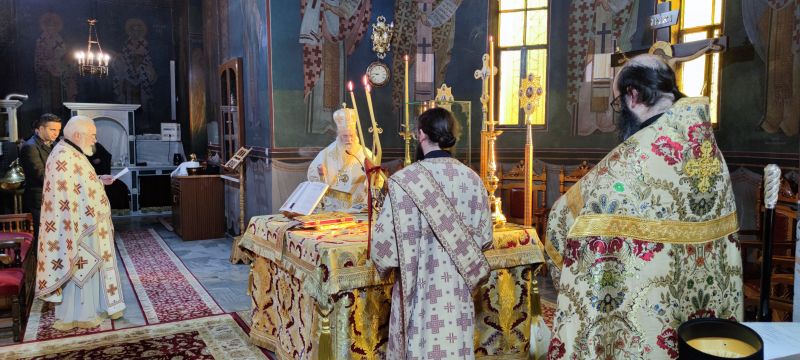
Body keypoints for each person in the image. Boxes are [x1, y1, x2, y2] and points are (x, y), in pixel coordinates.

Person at [543, 54, 742, 359]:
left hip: (650, 310)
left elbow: (562, 217)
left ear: (633, 95)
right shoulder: (709, 151)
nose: (620, 111)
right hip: (705, 323)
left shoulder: (633, 158)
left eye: (618, 103)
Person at [371, 108, 492, 359]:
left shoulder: (403, 181)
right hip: (457, 290)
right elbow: (484, 238)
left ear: (421, 134)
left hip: (417, 289)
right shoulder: (472, 179)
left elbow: (383, 250)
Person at [36, 115, 125, 330]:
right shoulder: (63, 157)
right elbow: (67, 197)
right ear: (78, 135)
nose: (94, 140)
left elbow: (81, 184)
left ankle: (95, 308)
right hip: (78, 229)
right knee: (82, 270)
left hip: (88, 226)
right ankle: (79, 315)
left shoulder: (73, 153)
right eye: (92, 136)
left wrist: (98, 179)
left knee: (92, 270)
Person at [307, 107, 372, 211]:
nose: (349, 139)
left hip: (358, 208)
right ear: (339, 135)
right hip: (333, 207)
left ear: (355, 135)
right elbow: (312, 173)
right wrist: (321, 174)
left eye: (351, 136)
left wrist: (371, 178)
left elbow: (376, 178)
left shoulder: (365, 154)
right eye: (345, 136)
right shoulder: (327, 152)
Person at [19, 113, 62, 242]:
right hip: (39, 199)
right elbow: (40, 175)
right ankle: (40, 262)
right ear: (41, 129)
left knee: (57, 236)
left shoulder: (55, 145)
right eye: (52, 129)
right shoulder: (30, 147)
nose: (56, 133)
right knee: (43, 237)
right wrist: (65, 181)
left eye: (58, 130)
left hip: (55, 195)